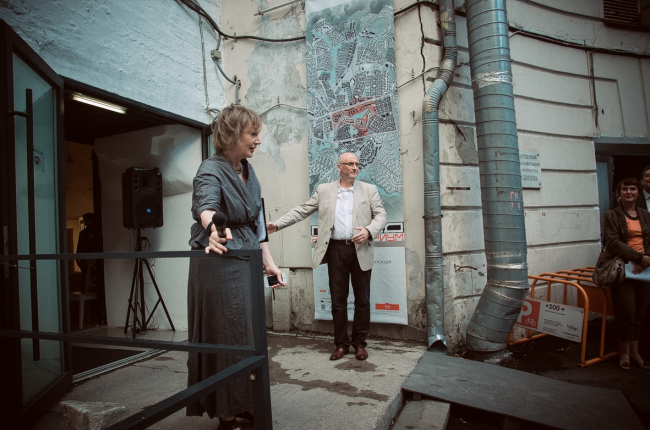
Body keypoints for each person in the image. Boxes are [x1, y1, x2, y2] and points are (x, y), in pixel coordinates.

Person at [186, 104, 285, 430]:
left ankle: (246, 403)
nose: (258, 140)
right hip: (219, 263)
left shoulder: (248, 170)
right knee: (225, 337)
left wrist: (269, 263)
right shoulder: (210, 170)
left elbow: (257, 221)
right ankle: (226, 415)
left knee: (248, 337)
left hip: (246, 263)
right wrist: (213, 227)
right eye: (253, 134)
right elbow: (206, 205)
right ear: (231, 134)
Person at [266, 152, 387, 361]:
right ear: (339, 167)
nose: (355, 167)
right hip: (336, 250)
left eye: (357, 164)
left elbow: (381, 215)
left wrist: (368, 231)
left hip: (360, 250)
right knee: (338, 301)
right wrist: (277, 224)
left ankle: (359, 344)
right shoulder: (324, 190)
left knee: (362, 301)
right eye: (350, 164)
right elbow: (303, 210)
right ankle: (341, 344)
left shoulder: (369, 190)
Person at [602, 177, 650, 370]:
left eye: (633, 189)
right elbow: (612, 242)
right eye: (624, 189)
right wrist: (638, 257)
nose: (629, 192)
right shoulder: (611, 215)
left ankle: (635, 352)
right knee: (627, 313)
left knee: (640, 313)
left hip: (645, 269)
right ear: (618, 194)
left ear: (638, 193)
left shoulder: (646, 215)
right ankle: (624, 353)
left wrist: (646, 259)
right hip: (623, 268)